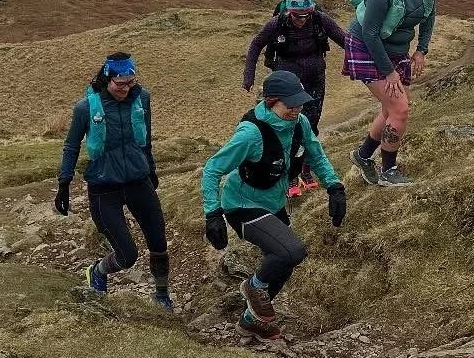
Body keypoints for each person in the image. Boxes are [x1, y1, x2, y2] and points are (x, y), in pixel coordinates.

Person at [201, 69, 347, 341]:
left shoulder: (300, 123)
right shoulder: (250, 134)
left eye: (300, 102)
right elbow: (212, 169)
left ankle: (250, 322)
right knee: (292, 250)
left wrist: (334, 186)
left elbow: (315, 155)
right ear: (271, 101)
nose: (297, 108)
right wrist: (212, 213)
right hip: (242, 206)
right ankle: (252, 286)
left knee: (284, 262)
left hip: (274, 203)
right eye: (290, 104)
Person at [56, 51, 174, 309]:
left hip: (137, 180)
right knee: (127, 255)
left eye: (130, 83)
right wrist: (64, 183)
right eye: (120, 84)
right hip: (103, 187)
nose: (126, 89)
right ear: (107, 79)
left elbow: (146, 139)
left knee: (158, 241)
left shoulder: (142, 99)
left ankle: (162, 295)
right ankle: (97, 271)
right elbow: (71, 146)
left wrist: (151, 169)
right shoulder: (86, 108)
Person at [344, 0, 436, 187]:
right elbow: (370, 33)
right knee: (400, 109)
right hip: (367, 46)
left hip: (396, 49)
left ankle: (363, 156)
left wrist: (421, 49)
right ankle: (388, 170)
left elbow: (429, 15)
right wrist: (389, 72)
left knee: (391, 108)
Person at [243, 0, 348, 196]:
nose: (302, 19)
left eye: (305, 15)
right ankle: (289, 175)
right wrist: (249, 75)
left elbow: (345, 40)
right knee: (286, 126)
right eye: (297, 16)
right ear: (289, 11)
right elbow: (256, 45)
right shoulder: (277, 23)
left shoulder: (320, 19)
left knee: (311, 126)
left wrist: (364, 61)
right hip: (287, 84)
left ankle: (305, 171)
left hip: (315, 81)